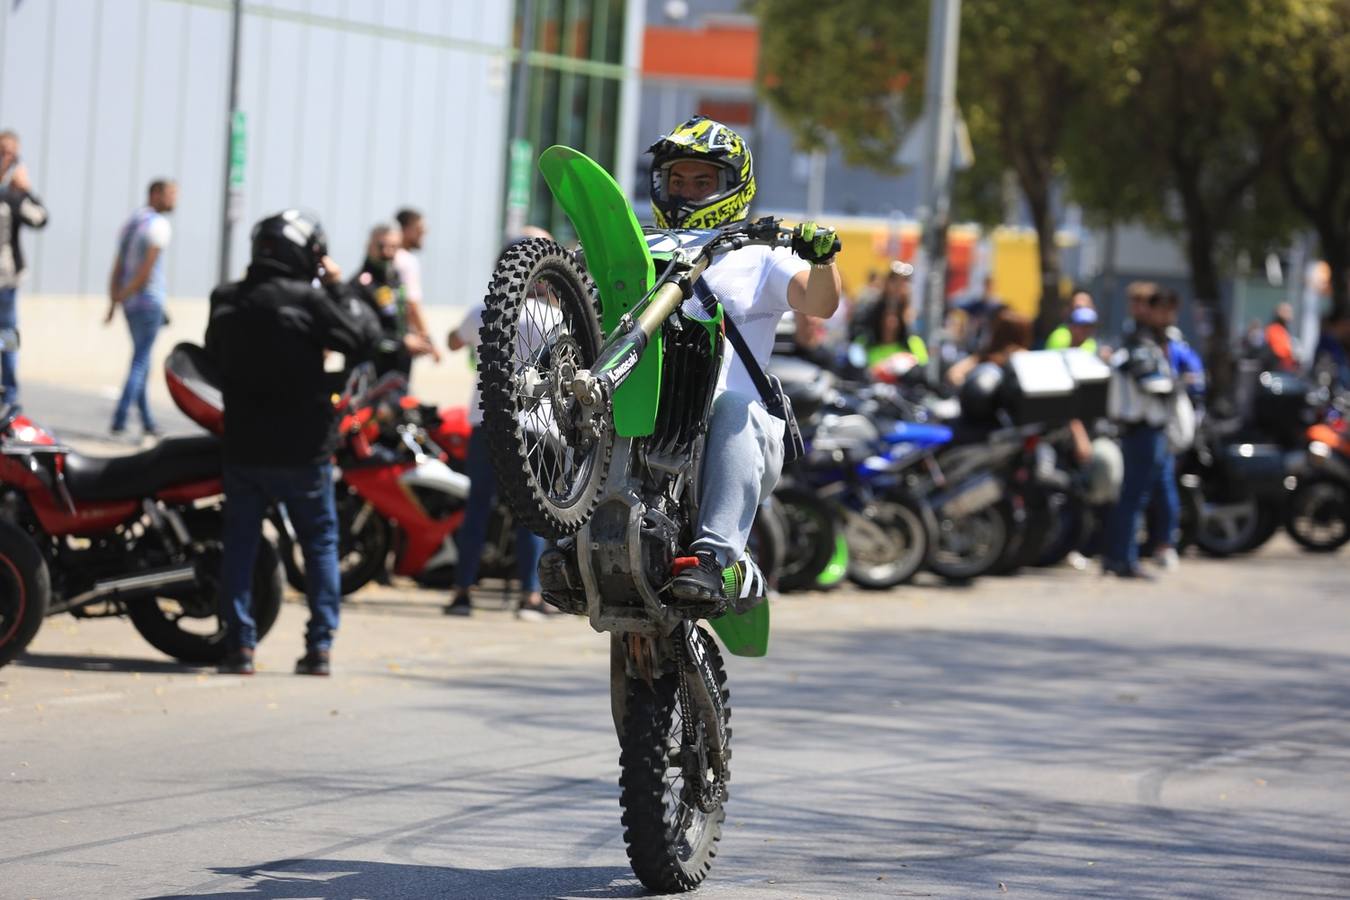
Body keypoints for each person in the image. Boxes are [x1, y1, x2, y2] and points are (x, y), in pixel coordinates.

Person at [628, 115, 840, 607]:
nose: (686, 191)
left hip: (734, 436)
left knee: (732, 406)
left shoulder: (759, 253)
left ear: (732, 186)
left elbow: (819, 303)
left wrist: (824, 259)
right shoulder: (639, 249)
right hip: (649, 423)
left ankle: (716, 558)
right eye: (676, 179)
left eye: (702, 181)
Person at [206, 210, 381, 676]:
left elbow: (212, 361)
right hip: (304, 450)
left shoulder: (225, 299)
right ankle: (320, 648)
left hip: (244, 447)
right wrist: (338, 286)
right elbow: (366, 338)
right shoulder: (310, 300)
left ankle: (240, 648)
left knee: (240, 546)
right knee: (320, 544)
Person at [442, 226, 554, 620]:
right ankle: (531, 595)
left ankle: (461, 592)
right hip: (537, 429)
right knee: (533, 513)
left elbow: (453, 340)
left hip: (486, 422)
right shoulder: (556, 317)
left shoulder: (486, 311)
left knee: (477, 509)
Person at [1102, 283, 1181, 579]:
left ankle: (1134, 553)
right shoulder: (1138, 341)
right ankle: (1122, 558)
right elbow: (1150, 381)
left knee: (1150, 494)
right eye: (1139, 303)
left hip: (1153, 430)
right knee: (1133, 496)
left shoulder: (1156, 339)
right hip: (1142, 429)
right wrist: (1173, 384)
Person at [106, 179, 178, 438]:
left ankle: (147, 420)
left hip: (131, 303)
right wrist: (126, 292)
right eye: (170, 194)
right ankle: (120, 417)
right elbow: (146, 270)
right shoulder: (157, 226)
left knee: (142, 361)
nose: (174, 200)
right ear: (155, 194)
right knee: (140, 361)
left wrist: (115, 298)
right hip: (147, 300)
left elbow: (118, 264)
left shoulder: (132, 223)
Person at [1145, 289, 1203, 571]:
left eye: (1171, 310)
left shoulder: (1176, 343)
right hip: (1147, 423)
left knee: (1165, 487)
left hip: (1168, 427)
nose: (1166, 315)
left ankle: (1164, 543)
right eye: (1162, 309)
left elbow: (1197, 377)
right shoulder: (1143, 339)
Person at [350, 222, 435, 379]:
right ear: (369, 246)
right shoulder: (359, 285)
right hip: (370, 373)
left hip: (398, 371)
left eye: (394, 247)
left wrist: (418, 341)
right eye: (382, 246)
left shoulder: (395, 279)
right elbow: (364, 334)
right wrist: (402, 342)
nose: (387, 252)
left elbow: (400, 318)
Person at [0, 130, 47, 406]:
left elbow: (40, 219)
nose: (7, 160)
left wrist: (26, 190)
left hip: (6, 284)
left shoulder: (13, 196)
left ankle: (11, 396)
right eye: (3, 152)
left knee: (7, 338)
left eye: (13, 155)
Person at [853, 261, 929, 373]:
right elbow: (858, 338)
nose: (899, 286)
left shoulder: (911, 313)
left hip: (902, 363)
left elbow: (921, 357)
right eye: (895, 280)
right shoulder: (873, 307)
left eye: (904, 281)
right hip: (874, 356)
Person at [391, 207, 440, 364]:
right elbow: (412, 304)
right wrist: (428, 340)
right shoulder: (406, 261)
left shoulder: (390, 259)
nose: (424, 233)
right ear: (405, 230)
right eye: (419, 229)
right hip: (402, 340)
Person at [1263, 302, 1298, 372]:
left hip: (1286, 368)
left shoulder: (1283, 328)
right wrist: (1293, 353)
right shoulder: (1274, 328)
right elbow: (1281, 351)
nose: (1290, 314)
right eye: (1287, 311)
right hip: (1277, 369)